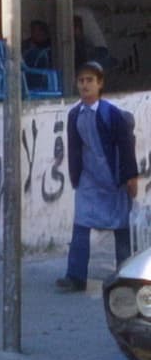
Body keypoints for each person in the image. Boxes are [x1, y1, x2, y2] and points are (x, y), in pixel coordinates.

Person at [55, 61, 138, 293]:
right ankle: (75, 276)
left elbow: (126, 145)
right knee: (81, 225)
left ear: (100, 83)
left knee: (121, 230)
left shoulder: (112, 114)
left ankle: (126, 276)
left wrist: (130, 177)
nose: (85, 85)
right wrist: (76, 177)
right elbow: (74, 147)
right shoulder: (74, 115)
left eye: (90, 80)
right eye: (81, 81)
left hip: (114, 180)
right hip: (89, 180)